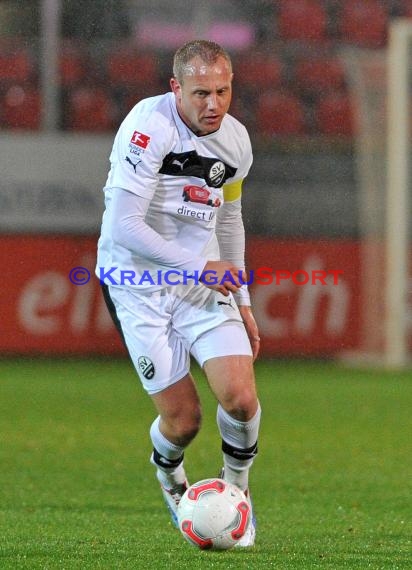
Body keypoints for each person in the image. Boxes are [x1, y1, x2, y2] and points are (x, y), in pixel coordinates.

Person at [96, 39, 261, 547]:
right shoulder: (149, 127)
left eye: (223, 91)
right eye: (200, 94)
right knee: (183, 420)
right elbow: (124, 226)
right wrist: (200, 266)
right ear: (176, 89)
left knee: (240, 397)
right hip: (137, 285)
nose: (213, 104)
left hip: (200, 285)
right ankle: (170, 476)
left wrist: (244, 300)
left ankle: (237, 496)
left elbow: (229, 218)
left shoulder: (234, 142)